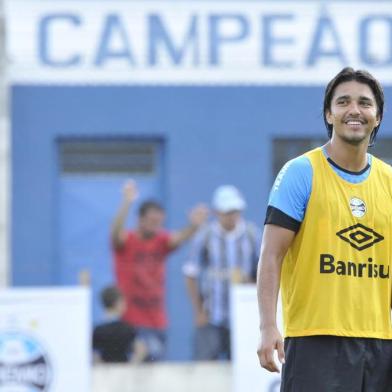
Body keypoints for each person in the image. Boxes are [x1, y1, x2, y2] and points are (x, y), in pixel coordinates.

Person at [257, 67, 392, 391]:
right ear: (329, 114)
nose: (354, 110)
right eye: (343, 102)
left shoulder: (389, 182)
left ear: (377, 116)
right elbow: (271, 255)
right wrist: (267, 326)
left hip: (380, 344)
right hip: (315, 341)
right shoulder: (300, 173)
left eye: (364, 103)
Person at [111, 180, 208, 362]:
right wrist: (126, 202)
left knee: (155, 372)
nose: (157, 227)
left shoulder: (160, 240)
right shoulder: (127, 241)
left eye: (160, 222)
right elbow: (115, 233)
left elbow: (178, 238)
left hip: (156, 321)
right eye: (152, 222)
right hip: (130, 320)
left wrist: (194, 226)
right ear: (140, 220)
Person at [184, 185, 260, 360]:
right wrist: (198, 311)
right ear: (217, 212)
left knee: (244, 364)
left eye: (235, 211)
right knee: (205, 368)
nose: (232, 216)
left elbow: (264, 269)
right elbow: (190, 273)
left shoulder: (251, 235)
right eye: (227, 212)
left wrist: (252, 286)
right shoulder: (205, 236)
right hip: (212, 315)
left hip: (244, 315)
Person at [93, 285, 147, 363]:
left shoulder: (97, 330)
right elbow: (141, 350)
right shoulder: (127, 328)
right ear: (117, 303)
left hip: (105, 372)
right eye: (123, 301)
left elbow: (94, 355)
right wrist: (130, 367)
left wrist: (102, 368)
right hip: (123, 371)